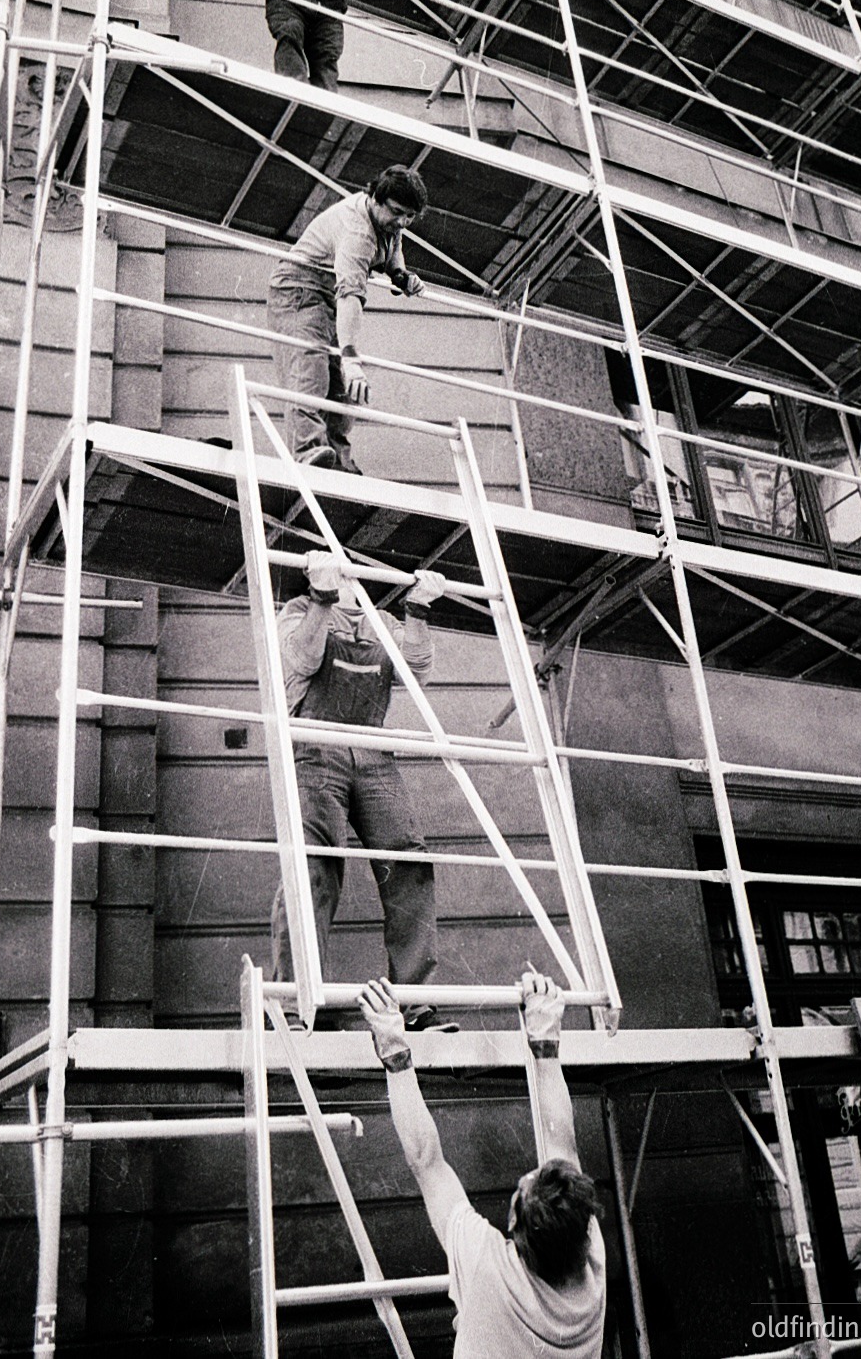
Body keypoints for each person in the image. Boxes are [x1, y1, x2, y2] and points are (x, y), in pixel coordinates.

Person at [359, 972, 606, 1359]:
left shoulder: (489, 1269)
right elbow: (562, 1147)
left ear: (513, 1230)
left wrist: (393, 1048)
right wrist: (544, 1044)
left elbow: (428, 1161)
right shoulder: (589, 1264)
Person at [271, 551, 458, 1032]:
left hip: (373, 750)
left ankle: (416, 1003)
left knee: (408, 863)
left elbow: (415, 671)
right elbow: (302, 657)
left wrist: (418, 611)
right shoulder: (296, 611)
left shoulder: (383, 623)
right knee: (314, 867)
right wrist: (321, 599)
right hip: (317, 745)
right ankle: (295, 1007)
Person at [266, 162, 428, 471]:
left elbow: (393, 249)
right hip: (298, 291)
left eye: (410, 216)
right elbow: (351, 296)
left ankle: (338, 459)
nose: (403, 222)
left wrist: (401, 275)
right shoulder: (358, 232)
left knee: (343, 388)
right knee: (310, 367)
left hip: (328, 297)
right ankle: (308, 451)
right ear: (375, 198)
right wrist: (351, 357)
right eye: (397, 212)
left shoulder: (387, 221)